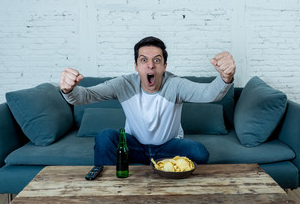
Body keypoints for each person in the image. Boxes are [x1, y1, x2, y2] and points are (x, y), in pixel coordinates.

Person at [60, 36, 236, 165]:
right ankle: (108, 188)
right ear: (136, 66)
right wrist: (68, 89)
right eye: (144, 60)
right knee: (105, 136)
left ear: (164, 66)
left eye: (156, 60)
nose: (150, 65)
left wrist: (225, 77)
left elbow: (208, 93)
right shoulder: (124, 84)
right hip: (133, 146)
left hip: (167, 147)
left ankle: (160, 167)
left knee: (198, 152)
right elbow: (87, 95)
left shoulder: (175, 84)